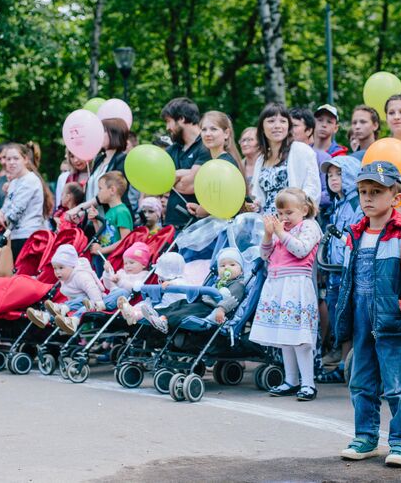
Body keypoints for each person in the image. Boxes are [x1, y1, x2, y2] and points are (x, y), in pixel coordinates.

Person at [334, 161, 401, 467]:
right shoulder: (356, 235)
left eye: (376, 191)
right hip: (362, 318)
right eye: (363, 192)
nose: (368, 198)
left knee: (398, 384)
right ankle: (365, 437)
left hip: (392, 322)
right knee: (361, 380)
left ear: (395, 196)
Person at [249, 188, 323, 401]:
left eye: (289, 213)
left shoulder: (309, 226)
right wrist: (268, 234)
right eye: (280, 214)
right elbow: (265, 254)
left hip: (296, 284)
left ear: (304, 209)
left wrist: (281, 233)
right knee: (285, 337)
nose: (284, 218)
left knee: (299, 337)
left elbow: (301, 250)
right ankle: (291, 380)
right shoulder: (280, 231)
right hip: (277, 284)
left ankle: (308, 383)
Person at [315, 156, 362, 384]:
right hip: (334, 271)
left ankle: (349, 364)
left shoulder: (356, 204)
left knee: (348, 316)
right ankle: (345, 364)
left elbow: (353, 237)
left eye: (339, 174)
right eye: (330, 175)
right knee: (338, 315)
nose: (334, 179)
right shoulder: (339, 203)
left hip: (347, 271)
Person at [139, 247, 246, 333]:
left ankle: (164, 322)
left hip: (210, 309)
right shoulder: (218, 282)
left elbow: (232, 299)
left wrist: (221, 309)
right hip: (201, 303)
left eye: (232, 265)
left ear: (241, 270)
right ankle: (157, 315)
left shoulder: (237, 285)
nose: (226, 268)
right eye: (222, 266)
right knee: (179, 304)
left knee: (185, 311)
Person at [250, 103, 321, 214]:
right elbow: (260, 198)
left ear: (288, 127)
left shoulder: (302, 151)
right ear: (262, 127)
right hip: (267, 224)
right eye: (271, 121)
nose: (277, 126)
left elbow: (313, 189)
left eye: (283, 121)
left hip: (294, 223)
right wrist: (256, 206)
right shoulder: (261, 159)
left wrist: (295, 214)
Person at [0, 143, 47, 260]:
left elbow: (14, 214)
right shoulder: (15, 182)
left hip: (28, 237)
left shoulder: (30, 180)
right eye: (8, 159)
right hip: (14, 237)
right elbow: (6, 208)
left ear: (25, 159)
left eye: (16, 158)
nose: (11, 162)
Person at [28, 244, 105, 333]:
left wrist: (97, 303)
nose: (57, 272)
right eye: (55, 268)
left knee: (73, 303)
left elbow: (92, 288)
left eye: (61, 268)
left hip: (92, 303)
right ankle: (45, 317)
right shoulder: (66, 277)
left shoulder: (81, 276)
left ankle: (63, 313)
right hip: (77, 305)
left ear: (72, 266)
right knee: (63, 307)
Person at [162, 97, 211, 227]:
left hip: (197, 225)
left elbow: (189, 185)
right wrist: (185, 173)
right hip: (171, 224)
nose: (167, 127)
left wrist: (174, 176)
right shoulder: (172, 149)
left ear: (182, 119)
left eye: (168, 121)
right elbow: (160, 184)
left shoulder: (206, 145)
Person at [186, 111, 243, 218]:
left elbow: (217, 201)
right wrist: (200, 207)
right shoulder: (214, 163)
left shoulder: (224, 164)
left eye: (213, 129)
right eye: (204, 130)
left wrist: (200, 210)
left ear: (226, 133)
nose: (207, 134)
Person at [86, 117, 131, 204]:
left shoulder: (123, 160)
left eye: (104, 131)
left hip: (112, 215)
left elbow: (111, 193)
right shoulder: (99, 159)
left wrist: (81, 208)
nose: (99, 135)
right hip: (92, 215)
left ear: (114, 134)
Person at [90, 171, 133, 258]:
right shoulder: (110, 211)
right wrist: (95, 221)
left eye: (100, 189)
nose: (98, 193)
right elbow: (103, 238)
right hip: (107, 260)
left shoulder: (121, 212)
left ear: (112, 190)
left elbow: (125, 240)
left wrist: (102, 250)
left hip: (116, 261)